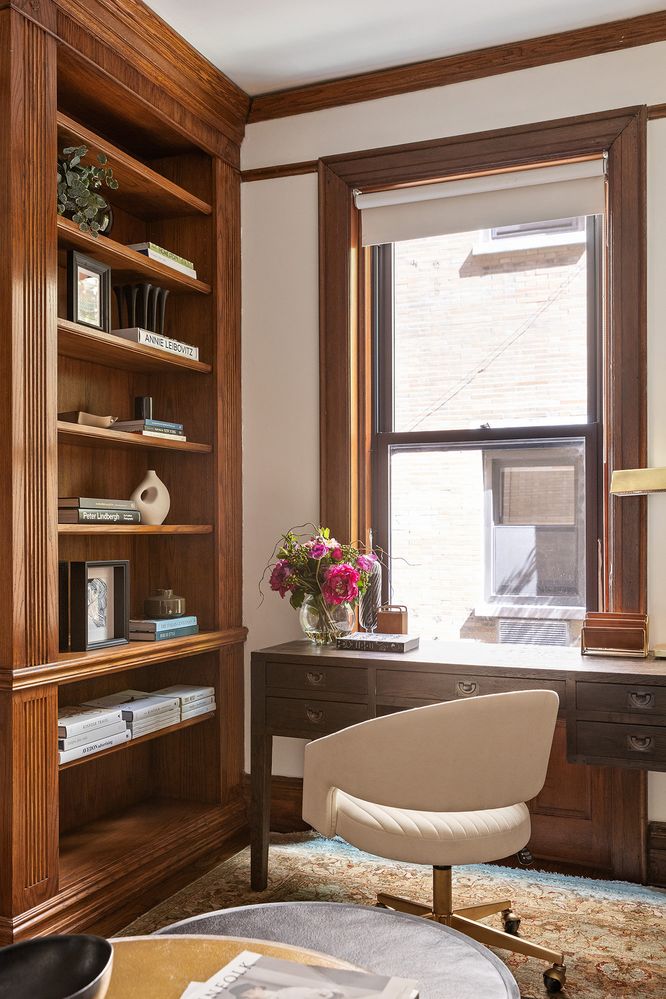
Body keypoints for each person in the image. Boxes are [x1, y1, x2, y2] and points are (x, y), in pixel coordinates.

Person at [226, 981, 344, 999]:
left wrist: (330, 994)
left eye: (249, 993)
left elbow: (328, 994)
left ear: (257, 988)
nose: (251, 998)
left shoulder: (290, 993)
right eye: (245, 998)